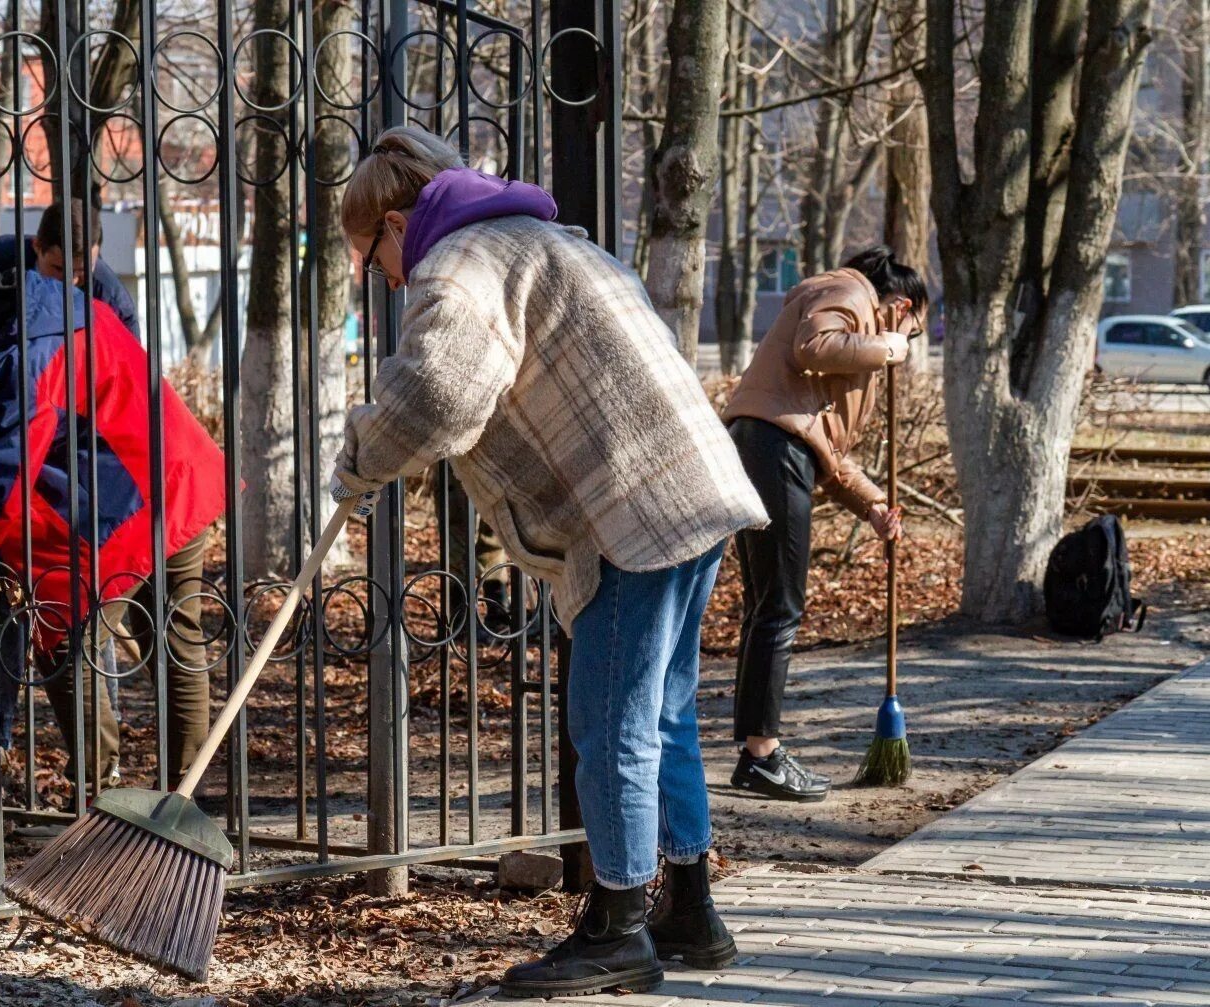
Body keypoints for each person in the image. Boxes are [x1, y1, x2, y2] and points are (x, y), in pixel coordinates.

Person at [327, 126, 768, 998]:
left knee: (611, 725)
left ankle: (618, 927)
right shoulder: (544, 238)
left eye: (364, 250)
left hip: (631, 513)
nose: (373, 274)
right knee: (664, 713)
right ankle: (690, 909)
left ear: (391, 220)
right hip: (696, 489)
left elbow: (441, 389)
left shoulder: (457, 262)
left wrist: (361, 457)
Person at [0, 260, 225, 794]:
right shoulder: (49, 299)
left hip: (131, 497)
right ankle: (182, 797)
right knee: (175, 640)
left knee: (65, 644)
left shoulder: (24, 362)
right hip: (178, 469)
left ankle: (98, 796)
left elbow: (2, 482)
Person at [721, 245, 927, 800]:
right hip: (772, 449)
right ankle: (761, 754)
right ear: (899, 306)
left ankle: (754, 753)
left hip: (769, 448)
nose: (907, 346)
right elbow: (814, 343)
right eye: (913, 330)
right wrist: (887, 346)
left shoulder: (841, 334)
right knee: (779, 607)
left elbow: (825, 452)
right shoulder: (847, 292)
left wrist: (874, 504)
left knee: (768, 606)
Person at [0, 198, 140, 416]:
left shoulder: (112, 299)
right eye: (59, 269)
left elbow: (128, 377)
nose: (71, 282)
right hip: (0, 396)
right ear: (36, 247)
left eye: (82, 272)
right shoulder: (0, 257)